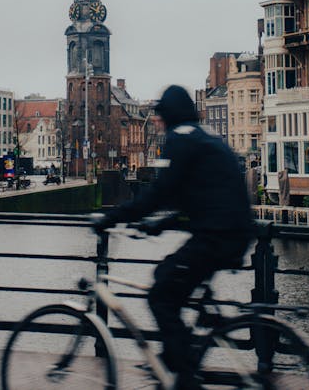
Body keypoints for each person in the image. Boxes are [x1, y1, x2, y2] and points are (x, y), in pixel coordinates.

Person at [93, 85, 253, 390]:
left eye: (159, 115)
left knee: (162, 293)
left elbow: (159, 193)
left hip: (218, 235)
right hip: (231, 230)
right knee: (172, 283)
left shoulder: (180, 140)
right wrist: (160, 224)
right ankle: (177, 357)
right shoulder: (202, 135)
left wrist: (112, 216)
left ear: (170, 115)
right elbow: (192, 194)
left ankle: (183, 378)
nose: (155, 121)